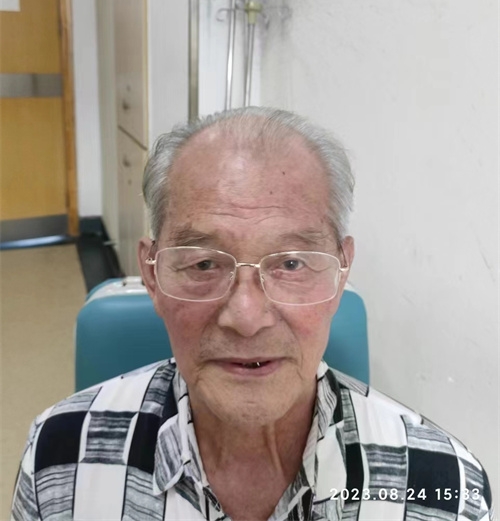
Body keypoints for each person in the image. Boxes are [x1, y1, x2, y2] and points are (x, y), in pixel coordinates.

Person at [11, 107, 494, 521]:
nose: (246, 316)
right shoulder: (60, 458)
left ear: (341, 272)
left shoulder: (444, 487)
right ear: (152, 275)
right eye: (204, 263)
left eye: (291, 264)